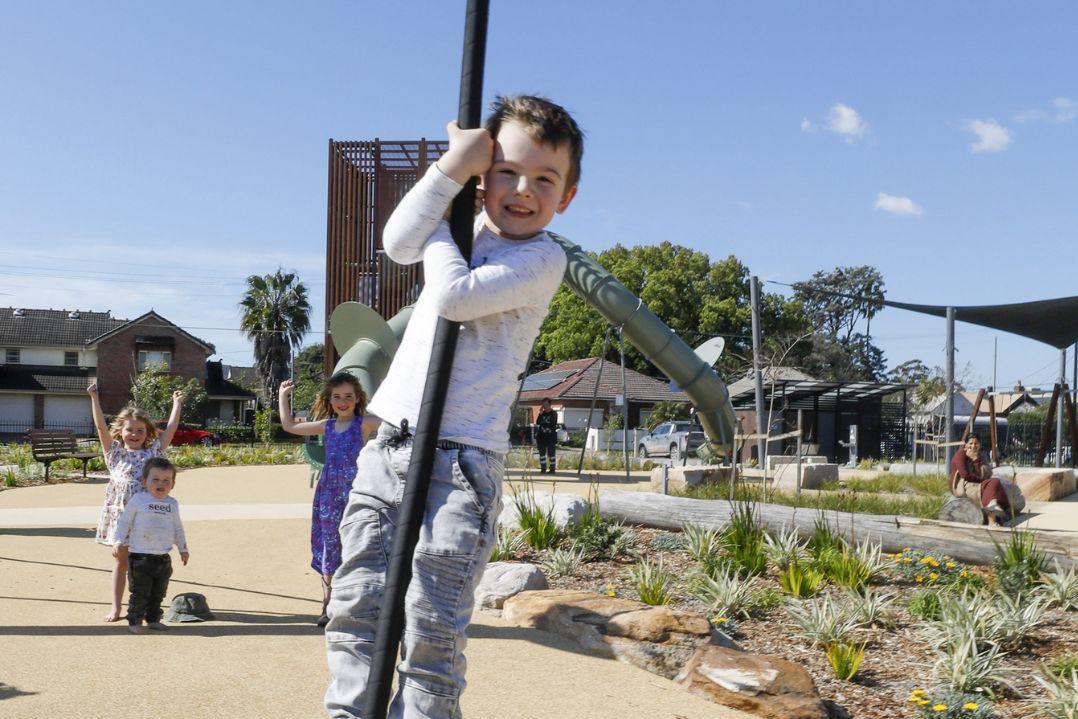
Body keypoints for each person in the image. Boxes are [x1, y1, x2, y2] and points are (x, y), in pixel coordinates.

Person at [325, 95, 582, 718]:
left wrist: (447, 220)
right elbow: (395, 242)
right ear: (483, 173)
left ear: (566, 196)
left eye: (544, 179)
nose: (523, 190)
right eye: (506, 171)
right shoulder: (460, 226)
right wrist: (448, 172)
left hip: (461, 465)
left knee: (430, 632)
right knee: (357, 607)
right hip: (389, 451)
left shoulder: (542, 258)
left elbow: (455, 295)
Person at [278, 373, 379, 626]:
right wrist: (283, 396)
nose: (342, 402)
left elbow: (401, 420)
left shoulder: (364, 423)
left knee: (358, 545)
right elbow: (289, 426)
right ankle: (328, 602)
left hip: (356, 492)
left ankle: (357, 601)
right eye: (337, 397)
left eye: (348, 397)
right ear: (329, 400)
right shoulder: (327, 426)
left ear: (357, 399)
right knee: (329, 546)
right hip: (329, 495)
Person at [89, 382, 183, 622]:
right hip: (120, 516)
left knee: (143, 564)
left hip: (146, 519)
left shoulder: (153, 452)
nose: (134, 434)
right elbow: (100, 427)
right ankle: (116, 607)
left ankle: (143, 606)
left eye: (140, 430)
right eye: (130, 429)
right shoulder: (115, 452)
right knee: (121, 562)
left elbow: (170, 430)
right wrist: (94, 398)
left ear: (147, 433)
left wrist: (177, 404)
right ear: (121, 430)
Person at [113, 457, 188, 634]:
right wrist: (118, 541)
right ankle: (134, 621)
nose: (160, 484)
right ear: (144, 481)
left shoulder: (172, 504)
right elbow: (124, 522)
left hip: (163, 558)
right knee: (140, 592)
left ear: (173, 484)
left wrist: (183, 547)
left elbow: (177, 527)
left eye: (166, 480)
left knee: (158, 593)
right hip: (140, 557)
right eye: (155, 479)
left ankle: (153, 619)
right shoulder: (138, 500)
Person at [950, 435, 1011, 525]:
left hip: (978, 484)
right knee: (993, 484)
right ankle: (992, 520)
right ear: (966, 445)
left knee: (995, 481)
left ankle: (992, 508)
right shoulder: (960, 454)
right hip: (963, 486)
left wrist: (976, 460)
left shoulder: (981, 456)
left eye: (976, 443)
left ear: (980, 445)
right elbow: (965, 475)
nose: (973, 446)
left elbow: (988, 473)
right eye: (970, 443)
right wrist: (982, 480)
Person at [535, 398, 558, 473]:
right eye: (544, 405)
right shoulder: (542, 414)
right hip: (541, 437)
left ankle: (552, 469)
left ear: (550, 405)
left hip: (550, 437)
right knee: (542, 454)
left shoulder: (554, 413)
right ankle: (543, 469)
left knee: (551, 454)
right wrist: (540, 413)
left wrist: (546, 428)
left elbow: (553, 424)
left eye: (546, 405)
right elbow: (538, 422)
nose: (545, 406)